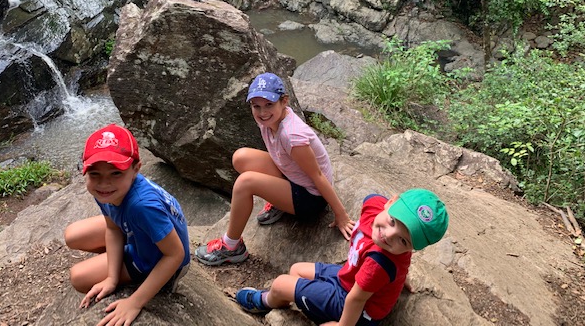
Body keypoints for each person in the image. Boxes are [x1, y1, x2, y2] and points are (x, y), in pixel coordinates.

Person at [195, 72, 355, 266]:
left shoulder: (292, 135)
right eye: (256, 106)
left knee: (245, 183)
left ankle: (231, 247)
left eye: (269, 105)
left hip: (310, 198)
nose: (262, 112)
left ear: (284, 101)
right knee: (240, 158)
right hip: (292, 177)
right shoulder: (270, 120)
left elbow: (318, 175)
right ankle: (279, 201)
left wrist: (341, 215)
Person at [235, 188, 449, 326]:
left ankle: (264, 301)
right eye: (393, 222)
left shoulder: (379, 263)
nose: (388, 235)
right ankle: (307, 303)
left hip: (359, 308)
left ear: (412, 248)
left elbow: (357, 298)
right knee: (297, 270)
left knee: (282, 284)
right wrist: (401, 276)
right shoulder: (374, 204)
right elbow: (371, 202)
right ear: (390, 202)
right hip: (347, 276)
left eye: (403, 241)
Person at [64, 124, 190, 326]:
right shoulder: (107, 192)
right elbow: (113, 228)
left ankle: (143, 271)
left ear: (136, 169)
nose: (104, 183)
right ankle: (119, 262)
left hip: (158, 258)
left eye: (115, 173)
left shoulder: (141, 206)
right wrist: (112, 278)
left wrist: (135, 301)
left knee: (78, 277)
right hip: (140, 232)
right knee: (72, 234)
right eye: (95, 174)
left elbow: (176, 254)